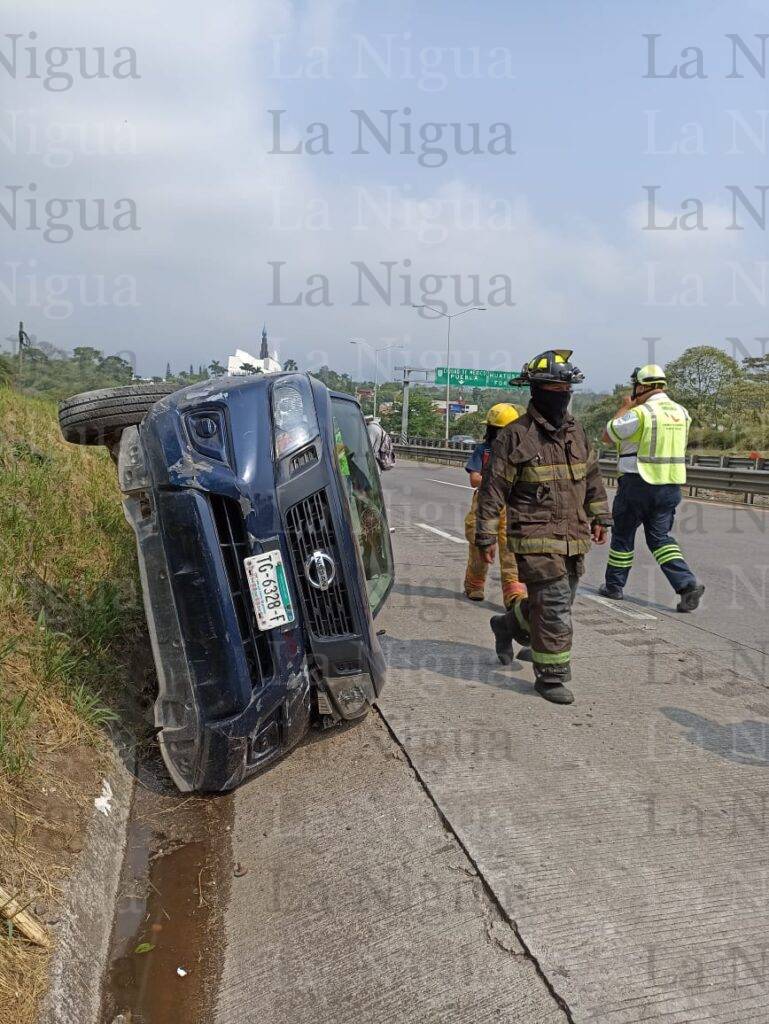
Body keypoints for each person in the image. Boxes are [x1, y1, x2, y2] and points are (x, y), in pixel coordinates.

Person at [475, 350, 612, 705]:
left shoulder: (578, 433)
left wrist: (601, 516)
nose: (559, 392)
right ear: (535, 390)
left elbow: (592, 478)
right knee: (553, 607)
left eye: (564, 386)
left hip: (574, 535)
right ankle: (551, 675)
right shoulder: (514, 437)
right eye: (551, 385)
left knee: (553, 601)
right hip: (533, 536)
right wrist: (485, 535)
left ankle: (506, 625)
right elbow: (493, 490)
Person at [599, 364, 704, 612]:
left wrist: (626, 406)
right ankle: (687, 585)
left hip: (638, 483)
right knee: (660, 539)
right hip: (669, 485)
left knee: (623, 536)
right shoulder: (682, 412)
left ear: (643, 387)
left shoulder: (641, 413)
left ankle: (614, 586)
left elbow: (607, 434)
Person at [463, 404, 527, 609]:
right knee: (479, 545)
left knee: (511, 549)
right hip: (484, 503)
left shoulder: (520, 454)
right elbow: (474, 479)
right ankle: (474, 585)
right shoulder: (483, 451)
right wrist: (497, 480)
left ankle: (513, 594)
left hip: (511, 506)